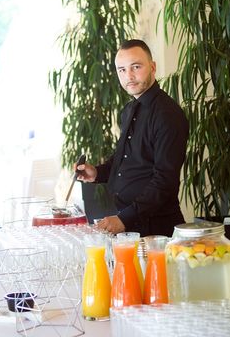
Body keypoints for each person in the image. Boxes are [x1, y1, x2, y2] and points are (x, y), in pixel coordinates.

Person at [76, 39, 189, 237]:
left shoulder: (168, 114)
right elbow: (124, 161)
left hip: (157, 229)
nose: (129, 76)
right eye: (121, 70)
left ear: (152, 67)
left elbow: (165, 181)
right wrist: (96, 173)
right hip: (129, 224)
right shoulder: (128, 111)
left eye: (136, 67)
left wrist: (124, 218)